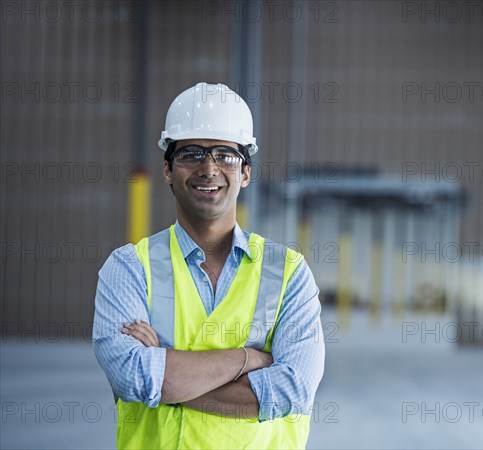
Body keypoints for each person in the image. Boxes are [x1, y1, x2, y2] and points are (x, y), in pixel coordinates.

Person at [92, 82, 325, 449]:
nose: (209, 167)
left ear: (245, 173)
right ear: (168, 169)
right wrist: (250, 359)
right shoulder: (128, 268)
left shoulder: (289, 273)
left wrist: (165, 375)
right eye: (192, 153)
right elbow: (133, 377)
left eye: (225, 155)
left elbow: (291, 390)